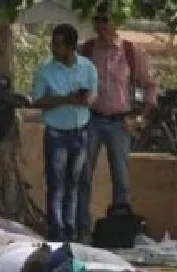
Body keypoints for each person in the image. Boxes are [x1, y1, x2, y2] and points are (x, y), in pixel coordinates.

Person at [77, 3, 158, 241]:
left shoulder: (131, 52)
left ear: (116, 23)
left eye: (106, 20)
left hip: (119, 122)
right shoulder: (87, 50)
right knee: (83, 175)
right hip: (91, 119)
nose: (102, 26)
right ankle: (82, 229)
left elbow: (151, 85)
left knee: (121, 179)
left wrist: (141, 118)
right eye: (98, 20)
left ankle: (119, 232)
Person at [31, 24, 97, 242]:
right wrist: (65, 99)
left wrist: (85, 98)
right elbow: (38, 100)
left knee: (75, 183)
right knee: (56, 184)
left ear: (71, 47)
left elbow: (92, 96)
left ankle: (71, 230)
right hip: (56, 133)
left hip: (80, 131)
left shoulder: (87, 68)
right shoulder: (45, 70)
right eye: (53, 44)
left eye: (58, 45)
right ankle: (56, 230)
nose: (53, 49)